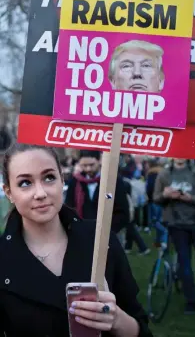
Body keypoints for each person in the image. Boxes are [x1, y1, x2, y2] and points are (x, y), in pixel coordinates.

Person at [0, 143, 152, 336]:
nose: (41, 193)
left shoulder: (99, 238)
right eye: (25, 183)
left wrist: (117, 320)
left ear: (62, 179)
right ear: (9, 192)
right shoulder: (4, 258)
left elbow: (141, 328)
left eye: (49, 178)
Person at [153, 158, 195, 314]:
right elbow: (155, 198)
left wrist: (190, 199)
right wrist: (165, 194)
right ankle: (191, 301)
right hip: (177, 226)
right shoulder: (164, 174)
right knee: (184, 266)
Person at [65, 150, 130, 234]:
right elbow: (69, 207)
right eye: (84, 165)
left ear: (100, 160)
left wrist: (108, 231)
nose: (88, 169)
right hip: (83, 232)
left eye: (92, 165)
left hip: (109, 233)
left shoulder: (113, 180)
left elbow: (122, 211)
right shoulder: (75, 181)